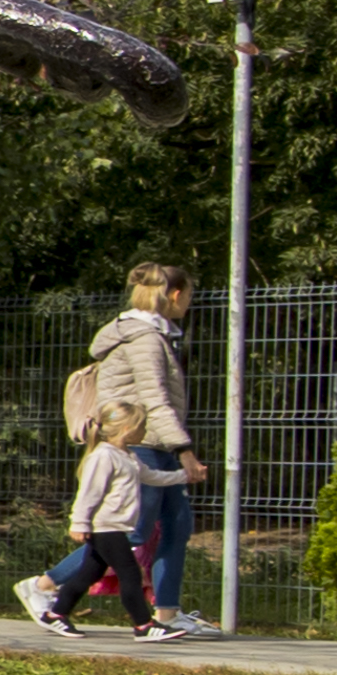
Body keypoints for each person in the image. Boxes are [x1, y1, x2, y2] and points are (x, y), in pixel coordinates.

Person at [91, 260, 208, 630]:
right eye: (188, 296)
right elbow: (155, 399)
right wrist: (184, 449)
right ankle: (46, 586)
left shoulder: (154, 335)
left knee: (177, 525)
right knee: (132, 532)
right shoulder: (143, 338)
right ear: (175, 294)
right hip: (142, 443)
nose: (188, 304)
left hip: (157, 442)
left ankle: (168, 613)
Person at [24, 407, 168, 635]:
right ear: (128, 429)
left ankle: (55, 614)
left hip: (113, 526)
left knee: (89, 573)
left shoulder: (127, 456)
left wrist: (184, 476)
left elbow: (151, 476)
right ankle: (144, 625)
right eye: (142, 426)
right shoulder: (103, 456)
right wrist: (79, 523)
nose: (145, 431)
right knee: (130, 572)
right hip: (105, 526)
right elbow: (89, 493)